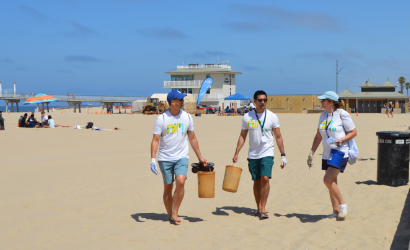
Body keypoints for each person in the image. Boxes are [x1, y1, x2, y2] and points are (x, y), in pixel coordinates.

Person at [150, 90, 208, 224]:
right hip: (165, 158)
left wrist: (200, 156)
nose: (183, 101)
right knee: (168, 187)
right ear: (173, 102)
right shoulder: (162, 119)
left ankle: (175, 212)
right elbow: (155, 140)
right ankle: (170, 214)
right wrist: (153, 159)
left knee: (181, 181)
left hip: (182, 156)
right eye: (180, 100)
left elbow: (192, 138)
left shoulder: (187, 117)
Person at [232, 90, 287, 220]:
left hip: (267, 152)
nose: (263, 102)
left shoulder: (272, 116)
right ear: (255, 101)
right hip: (253, 154)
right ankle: (258, 208)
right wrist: (236, 153)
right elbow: (242, 136)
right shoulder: (247, 117)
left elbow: (278, 137)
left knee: (265, 179)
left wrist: (283, 155)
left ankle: (263, 208)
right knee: (256, 181)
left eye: (265, 100)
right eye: (260, 100)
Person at [308, 91, 357, 221]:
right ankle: (336, 212)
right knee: (332, 182)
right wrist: (311, 153)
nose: (321, 102)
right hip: (326, 152)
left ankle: (342, 204)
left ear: (331, 102)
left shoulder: (342, 114)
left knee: (327, 180)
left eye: (323, 100)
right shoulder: (323, 115)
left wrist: (342, 139)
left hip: (340, 151)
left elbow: (353, 132)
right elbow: (318, 136)